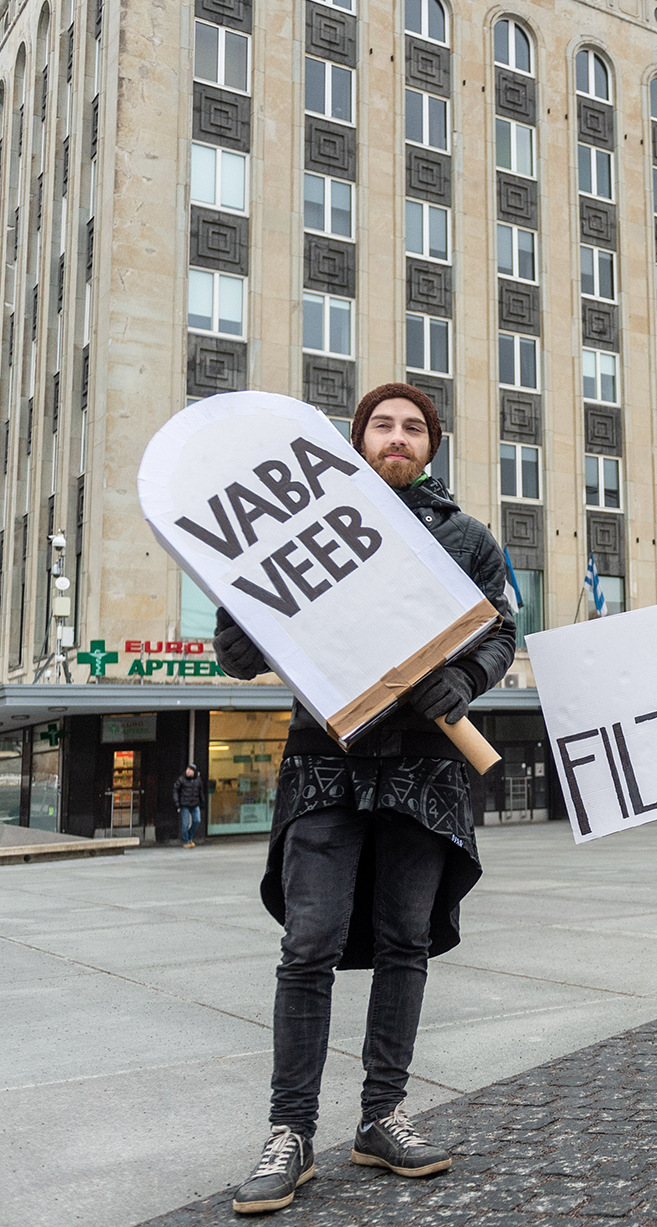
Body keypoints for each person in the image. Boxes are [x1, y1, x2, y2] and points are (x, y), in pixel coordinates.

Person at [214, 385, 516, 1214]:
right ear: (356, 441)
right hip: (326, 762)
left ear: (432, 446)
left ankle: (383, 1115)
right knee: (307, 944)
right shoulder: (300, 529)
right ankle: (290, 1131)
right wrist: (237, 621)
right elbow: (238, 652)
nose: (397, 437)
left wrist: (465, 675)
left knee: (404, 941)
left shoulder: (466, 538)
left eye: (413, 427)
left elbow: (500, 631)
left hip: (426, 767)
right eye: (382, 425)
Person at [174, 764, 206, 848]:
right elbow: (175, 791)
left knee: (197, 820)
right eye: (187, 769)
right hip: (184, 804)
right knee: (185, 824)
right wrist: (177, 803)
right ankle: (186, 841)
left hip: (195, 804)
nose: (187, 771)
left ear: (193, 772)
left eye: (190, 770)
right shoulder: (181, 779)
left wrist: (202, 802)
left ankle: (190, 837)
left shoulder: (198, 780)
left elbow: (200, 792)